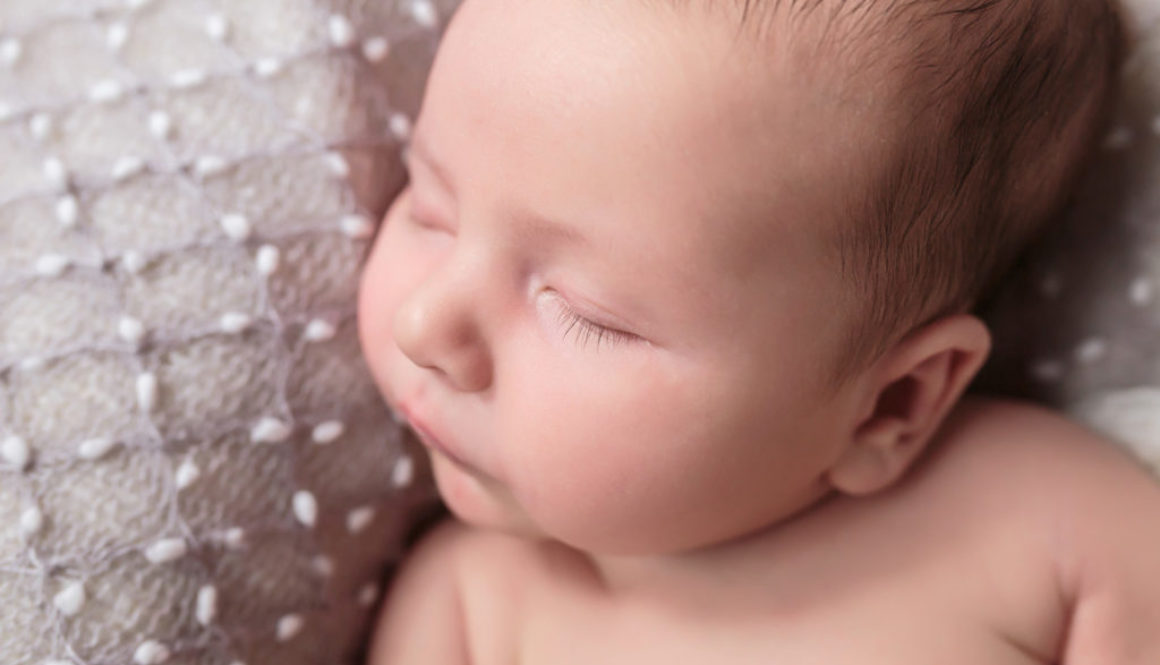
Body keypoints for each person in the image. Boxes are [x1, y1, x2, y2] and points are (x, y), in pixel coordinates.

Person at [357, 0, 1160, 662]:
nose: (425, 323)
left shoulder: (1046, 526)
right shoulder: (470, 612)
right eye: (430, 209)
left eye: (585, 312)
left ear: (893, 403)